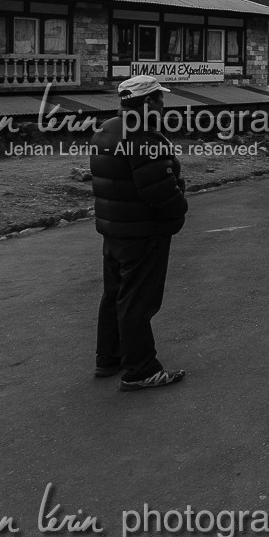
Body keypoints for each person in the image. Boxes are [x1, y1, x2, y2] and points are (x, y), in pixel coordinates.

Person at [90, 75, 189, 391]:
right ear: (148, 102)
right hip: (143, 231)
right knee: (137, 301)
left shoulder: (107, 130)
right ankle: (142, 369)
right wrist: (180, 208)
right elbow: (159, 190)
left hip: (114, 230)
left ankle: (109, 358)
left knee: (115, 294)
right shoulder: (143, 137)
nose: (163, 104)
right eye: (160, 99)